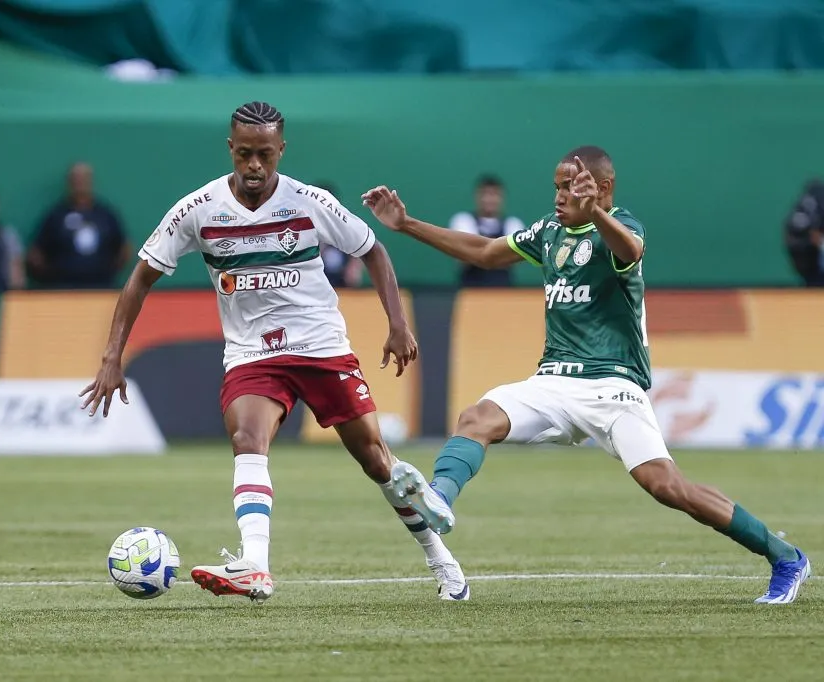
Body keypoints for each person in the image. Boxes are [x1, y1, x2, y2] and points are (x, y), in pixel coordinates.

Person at [361, 146, 811, 605]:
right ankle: (438, 498)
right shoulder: (549, 230)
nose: (559, 196)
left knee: (668, 487)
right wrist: (407, 225)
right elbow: (485, 252)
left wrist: (594, 211)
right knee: (477, 417)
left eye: (569, 187)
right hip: (553, 382)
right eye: (556, 186)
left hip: (614, 387)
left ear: (602, 188)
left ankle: (784, 556)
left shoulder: (622, 227)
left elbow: (630, 249)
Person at [81, 101, 469, 602]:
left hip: (321, 347)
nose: (255, 167)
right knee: (247, 436)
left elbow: (371, 248)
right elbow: (140, 279)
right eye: (244, 154)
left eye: (265, 154)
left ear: (281, 150)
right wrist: (113, 357)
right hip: (252, 356)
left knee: (375, 462)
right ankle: (255, 566)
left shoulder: (308, 202)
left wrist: (398, 323)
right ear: (230, 149)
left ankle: (443, 562)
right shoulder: (197, 210)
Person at [27, 162, 131, 289]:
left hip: (101, 289)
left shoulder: (106, 215)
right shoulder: (56, 216)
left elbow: (124, 249)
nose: (80, 183)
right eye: (76, 178)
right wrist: (53, 277)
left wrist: (106, 272)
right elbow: (36, 254)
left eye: (84, 178)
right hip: (63, 290)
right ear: (69, 182)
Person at [448, 175, 524, 287]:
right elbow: (463, 257)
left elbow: (515, 259)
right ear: (477, 197)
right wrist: (500, 254)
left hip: (505, 293)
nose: (489, 199)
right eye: (485, 194)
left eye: (494, 194)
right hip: (470, 292)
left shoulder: (514, 224)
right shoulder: (463, 220)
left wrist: (478, 253)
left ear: (502, 198)